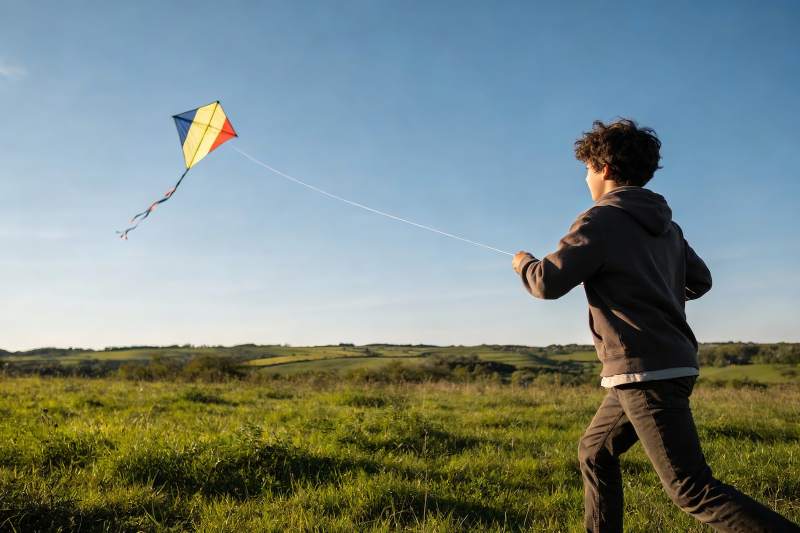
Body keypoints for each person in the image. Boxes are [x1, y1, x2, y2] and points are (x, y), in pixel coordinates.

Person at [511, 118, 799, 532]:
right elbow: (700, 280)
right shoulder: (668, 227)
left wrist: (524, 263)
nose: (586, 178)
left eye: (587, 169)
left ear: (604, 168)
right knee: (595, 452)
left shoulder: (599, 220)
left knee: (691, 488)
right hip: (663, 364)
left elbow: (546, 282)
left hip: (644, 370)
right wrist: (657, 291)